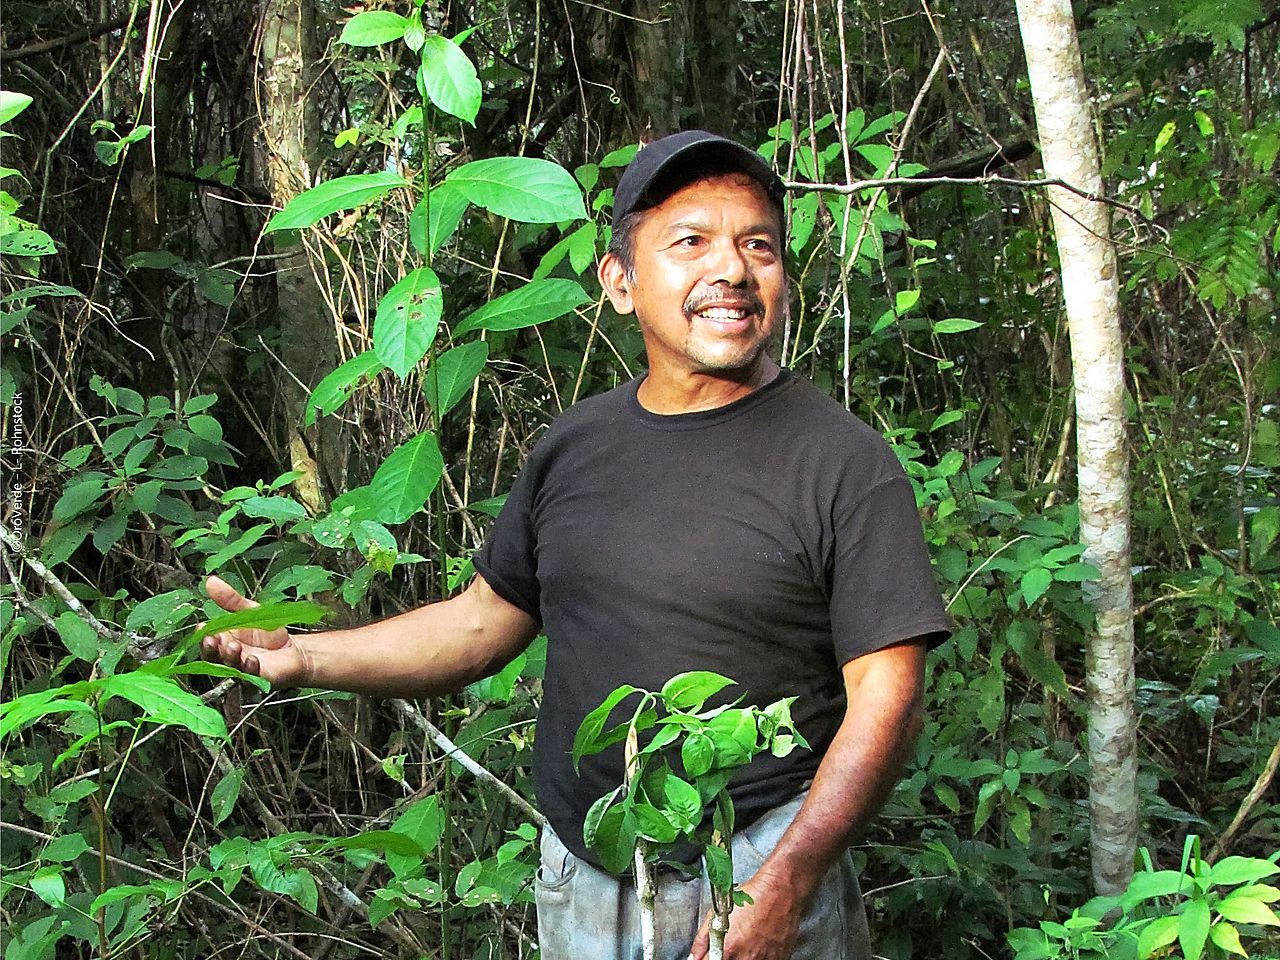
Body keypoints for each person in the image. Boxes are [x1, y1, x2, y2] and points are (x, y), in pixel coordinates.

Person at [202, 130, 951, 960]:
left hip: (759, 869)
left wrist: (788, 881)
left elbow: (890, 698)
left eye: (758, 246)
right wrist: (307, 658)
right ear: (620, 283)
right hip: (587, 883)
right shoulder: (578, 445)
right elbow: (484, 621)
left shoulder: (844, 464)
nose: (732, 270)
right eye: (690, 243)